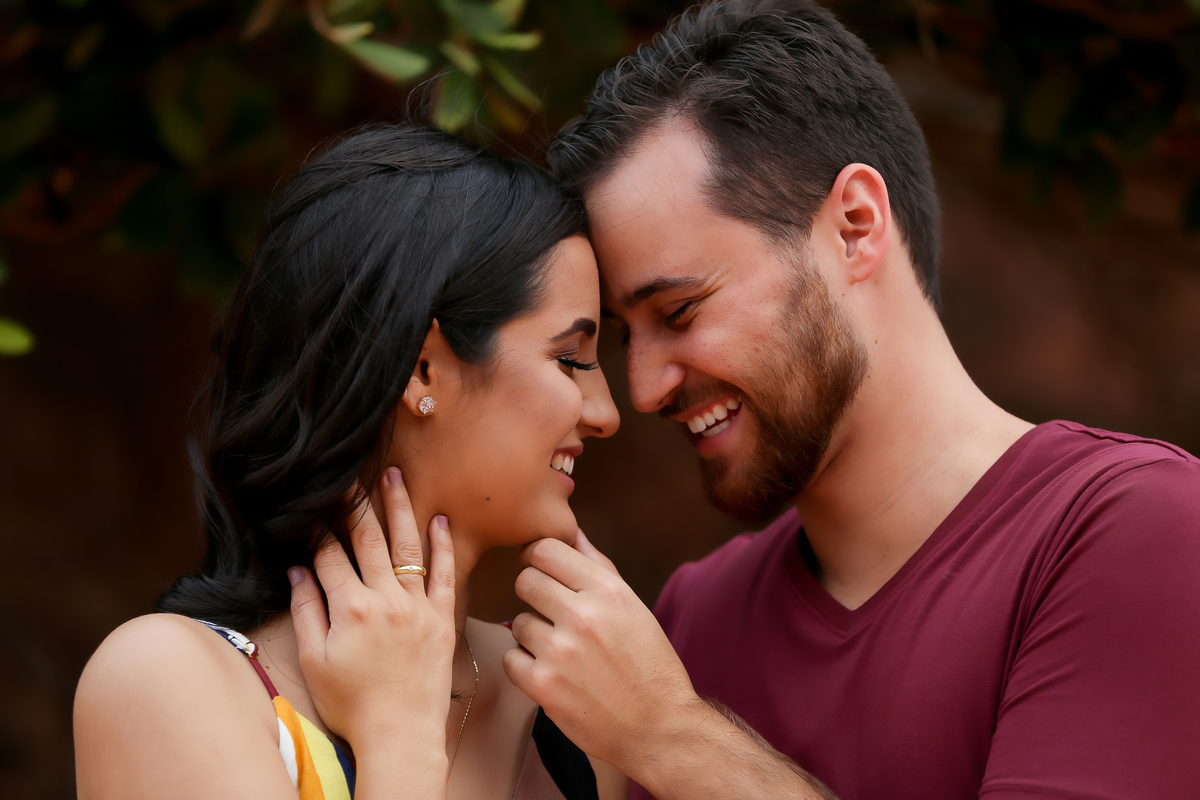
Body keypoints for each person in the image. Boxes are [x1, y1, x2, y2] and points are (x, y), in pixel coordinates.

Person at [498, 2, 1200, 799]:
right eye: (629, 336)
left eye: (682, 312)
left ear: (856, 228)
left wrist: (673, 737)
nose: (646, 389)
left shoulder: (1137, 530)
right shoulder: (691, 618)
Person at [73, 124, 625, 800]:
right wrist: (397, 742)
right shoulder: (167, 681)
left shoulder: (566, 705)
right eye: (570, 358)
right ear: (423, 370)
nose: (606, 413)